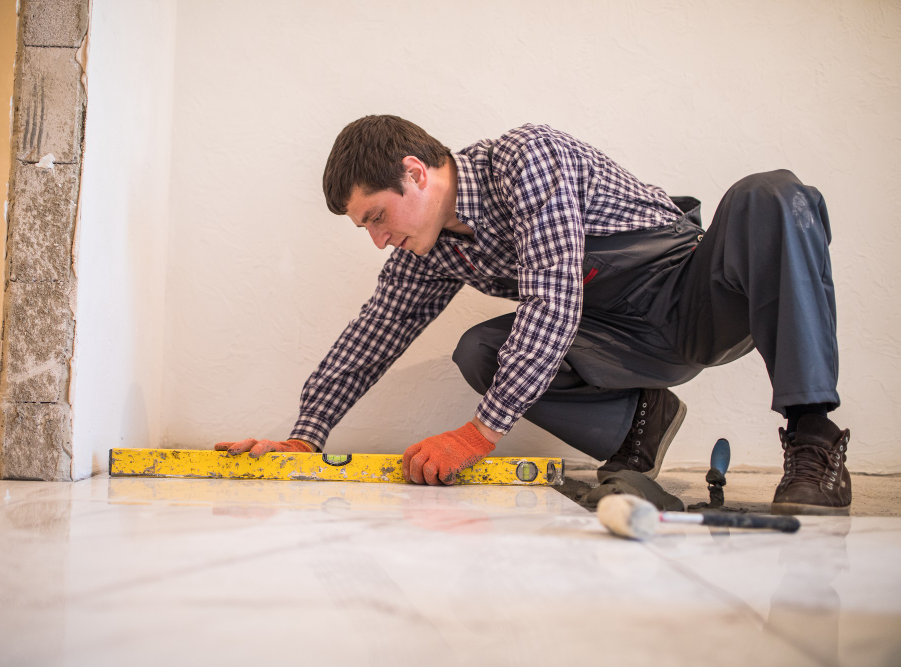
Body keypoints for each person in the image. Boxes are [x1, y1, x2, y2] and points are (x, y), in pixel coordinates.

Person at [215, 115, 850, 516]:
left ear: (414, 173)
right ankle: (641, 421)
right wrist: (306, 436)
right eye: (365, 229)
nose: (378, 240)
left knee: (770, 195)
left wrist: (477, 434)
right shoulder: (429, 253)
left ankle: (814, 437)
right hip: (619, 340)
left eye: (376, 216)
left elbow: (552, 298)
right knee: (480, 351)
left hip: (696, 298)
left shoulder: (525, 158)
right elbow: (370, 337)